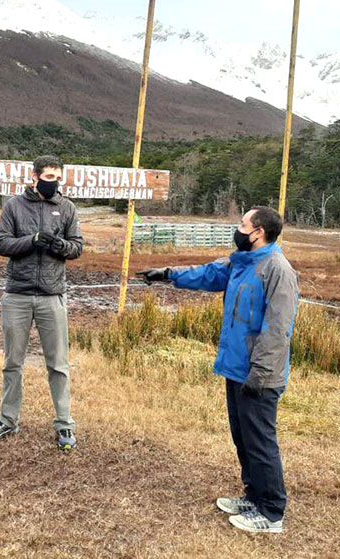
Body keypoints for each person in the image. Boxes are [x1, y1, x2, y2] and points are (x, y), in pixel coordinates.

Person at [139, 206, 299, 534]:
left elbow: (278, 329)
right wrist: (168, 274)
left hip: (258, 374)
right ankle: (254, 497)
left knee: (260, 442)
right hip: (236, 368)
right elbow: (207, 274)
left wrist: (262, 374)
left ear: (258, 233)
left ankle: (271, 512)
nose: (237, 229)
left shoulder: (277, 270)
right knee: (243, 439)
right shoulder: (241, 262)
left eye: (242, 225)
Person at [0, 155, 84, 450]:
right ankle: (8, 419)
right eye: (49, 177)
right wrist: (32, 239)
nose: (54, 183)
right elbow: (1, 244)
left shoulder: (67, 208)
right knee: (13, 362)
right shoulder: (13, 206)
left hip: (52, 295)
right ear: (35, 177)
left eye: (57, 178)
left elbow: (77, 247)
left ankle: (64, 424)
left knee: (59, 364)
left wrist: (58, 244)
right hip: (18, 295)